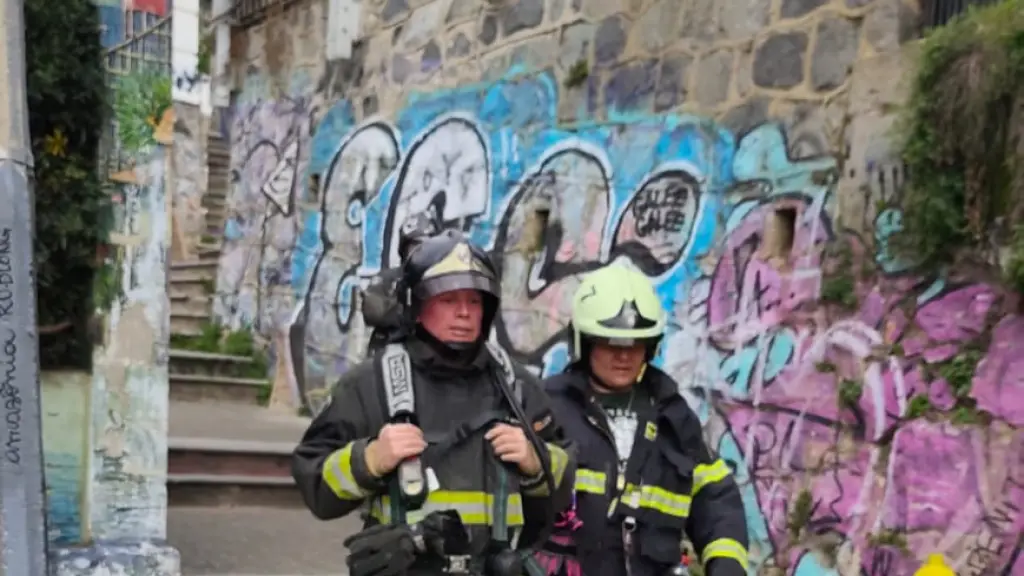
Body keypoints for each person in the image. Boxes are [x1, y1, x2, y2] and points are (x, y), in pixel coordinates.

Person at [292, 230, 577, 576]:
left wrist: (536, 462)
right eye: (448, 300)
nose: (463, 313)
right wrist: (368, 459)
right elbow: (316, 486)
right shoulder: (371, 383)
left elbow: (563, 490)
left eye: (474, 301)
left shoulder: (518, 388)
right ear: (418, 306)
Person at [537, 263, 749, 576]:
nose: (623, 356)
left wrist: (727, 566)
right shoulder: (546, 408)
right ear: (584, 342)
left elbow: (715, 498)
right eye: (611, 343)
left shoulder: (673, 417)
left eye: (635, 345)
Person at [361, 212, 441, 354]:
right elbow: (372, 311)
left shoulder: (443, 281)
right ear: (404, 248)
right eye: (414, 245)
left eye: (425, 246)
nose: (419, 251)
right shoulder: (388, 278)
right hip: (388, 347)